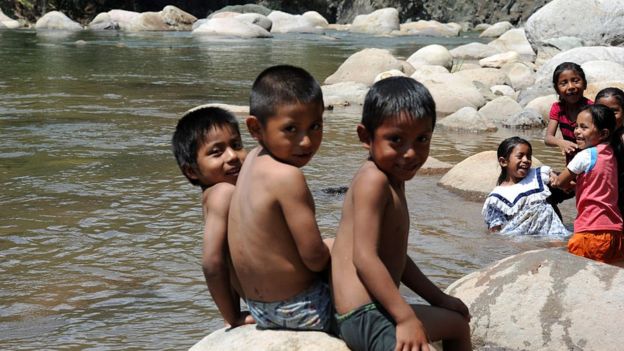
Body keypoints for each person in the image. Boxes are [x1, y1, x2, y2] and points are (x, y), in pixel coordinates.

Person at [331, 77, 471, 351]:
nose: (410, 153)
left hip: (381, 308)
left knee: (457, 324)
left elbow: (396, 257)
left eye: (422, 139)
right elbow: (364, 258)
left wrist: (439, 298)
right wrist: (405, 317)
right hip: (363, 316)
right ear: (365, 137)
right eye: (396, 140)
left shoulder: (393, 178)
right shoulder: (374, 181)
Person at [227, 65, 333, 332]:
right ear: (255, 128)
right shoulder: (287, 177)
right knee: (357, 248)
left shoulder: (252, 159)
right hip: (302, 308)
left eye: (315, 126)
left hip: (260, 309)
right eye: (291, 129)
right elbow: (314, 258)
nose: (306, 141)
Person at [171, 106, 254, 328]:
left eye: (236, 145)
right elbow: (213, 264)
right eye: (217, 152)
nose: (233, 156)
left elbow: (228, 260)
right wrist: (232, 318)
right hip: (278, 300)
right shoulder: (223, 194)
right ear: (191, 171)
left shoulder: (215, 195)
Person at [551, 104, 624, 263]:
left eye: (584, 127)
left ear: (603, 133)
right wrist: (577, 186)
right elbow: (598, 184)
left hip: (590, 232)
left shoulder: (585, 156)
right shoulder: (612, 152)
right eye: (576, 126)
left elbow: (559, 182)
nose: (577, 131)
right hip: (616, 232)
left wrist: (551, 176)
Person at [482, 137, 569, 238]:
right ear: (503, 162)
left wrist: (556, 179)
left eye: (529, 156)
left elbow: (561, 182)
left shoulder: (539, 175)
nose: (526, 160)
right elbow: (495, 232)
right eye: (520, 156)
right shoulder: (496, 198)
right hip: (521, 239)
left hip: (554, 233)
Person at [544, 62, 593, 213]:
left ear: (584, 84)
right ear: (557, 89)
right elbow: (548, 138)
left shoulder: (591, 109)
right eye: (564, 83)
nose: (571, 86)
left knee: (587, 206)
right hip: (571, 170)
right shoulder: (558, 108)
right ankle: (557, 233)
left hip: (589, 168)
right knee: (546, 197)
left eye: (575, 81)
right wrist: (561, 142)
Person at [595, 87, 624, 216]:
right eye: (602, 111)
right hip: (604, 195)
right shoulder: (594, 137)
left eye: (614, 111)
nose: (608, 117)